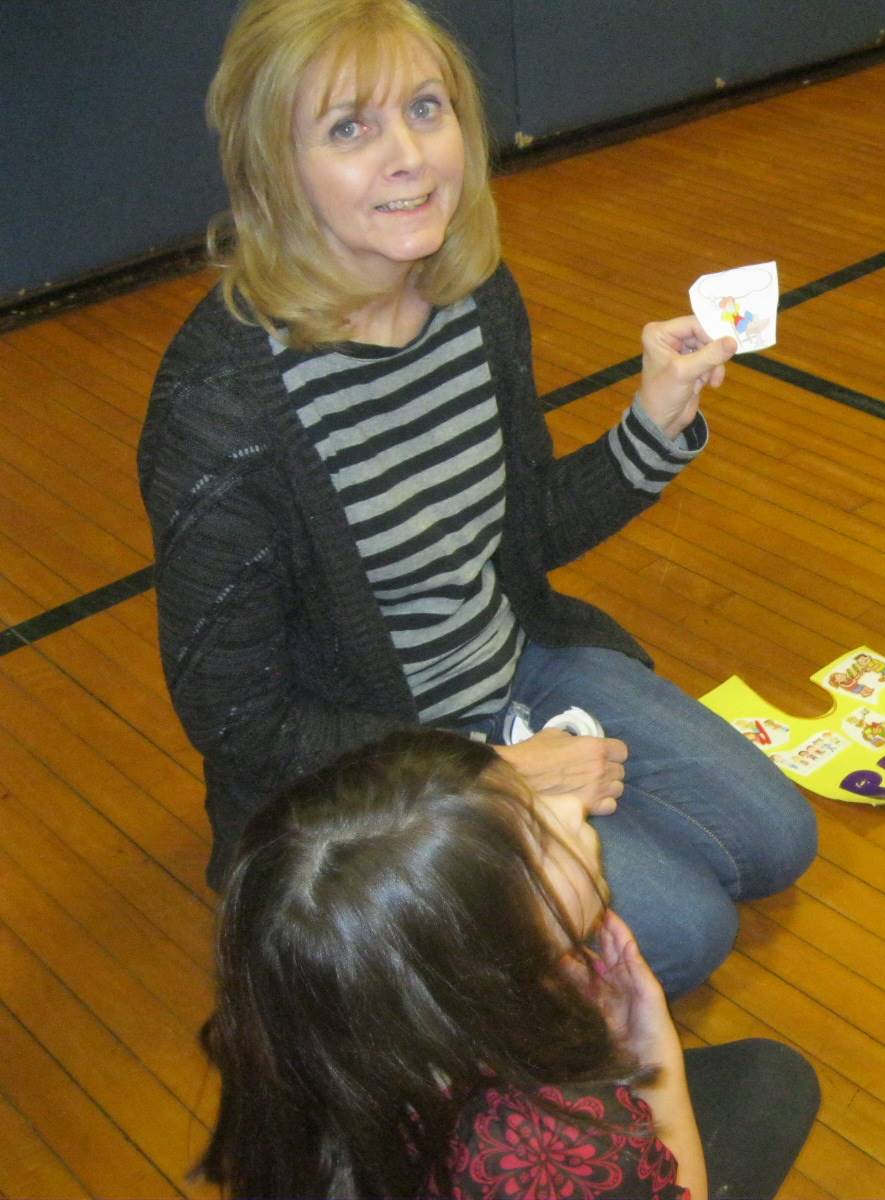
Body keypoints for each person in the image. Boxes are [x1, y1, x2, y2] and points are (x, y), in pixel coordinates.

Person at [137, 0, 816, 997]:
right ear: (275, 167)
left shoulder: (475, 298)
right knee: (685, 932)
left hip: (514, 664)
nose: (409, 155)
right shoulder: (222, 407)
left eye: (426, 107)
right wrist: (492, 778)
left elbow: (519, 529)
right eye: (349, 128)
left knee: (775, 839)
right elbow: (241, 722)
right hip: (374, 767)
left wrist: (653, 426)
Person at [199, 729, 820, 1199]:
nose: (569, 809)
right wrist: (654, 1055)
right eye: (536, 836)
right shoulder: (551, 1143)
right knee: (773, 1080)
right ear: (485, 945)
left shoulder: (319, 1025)